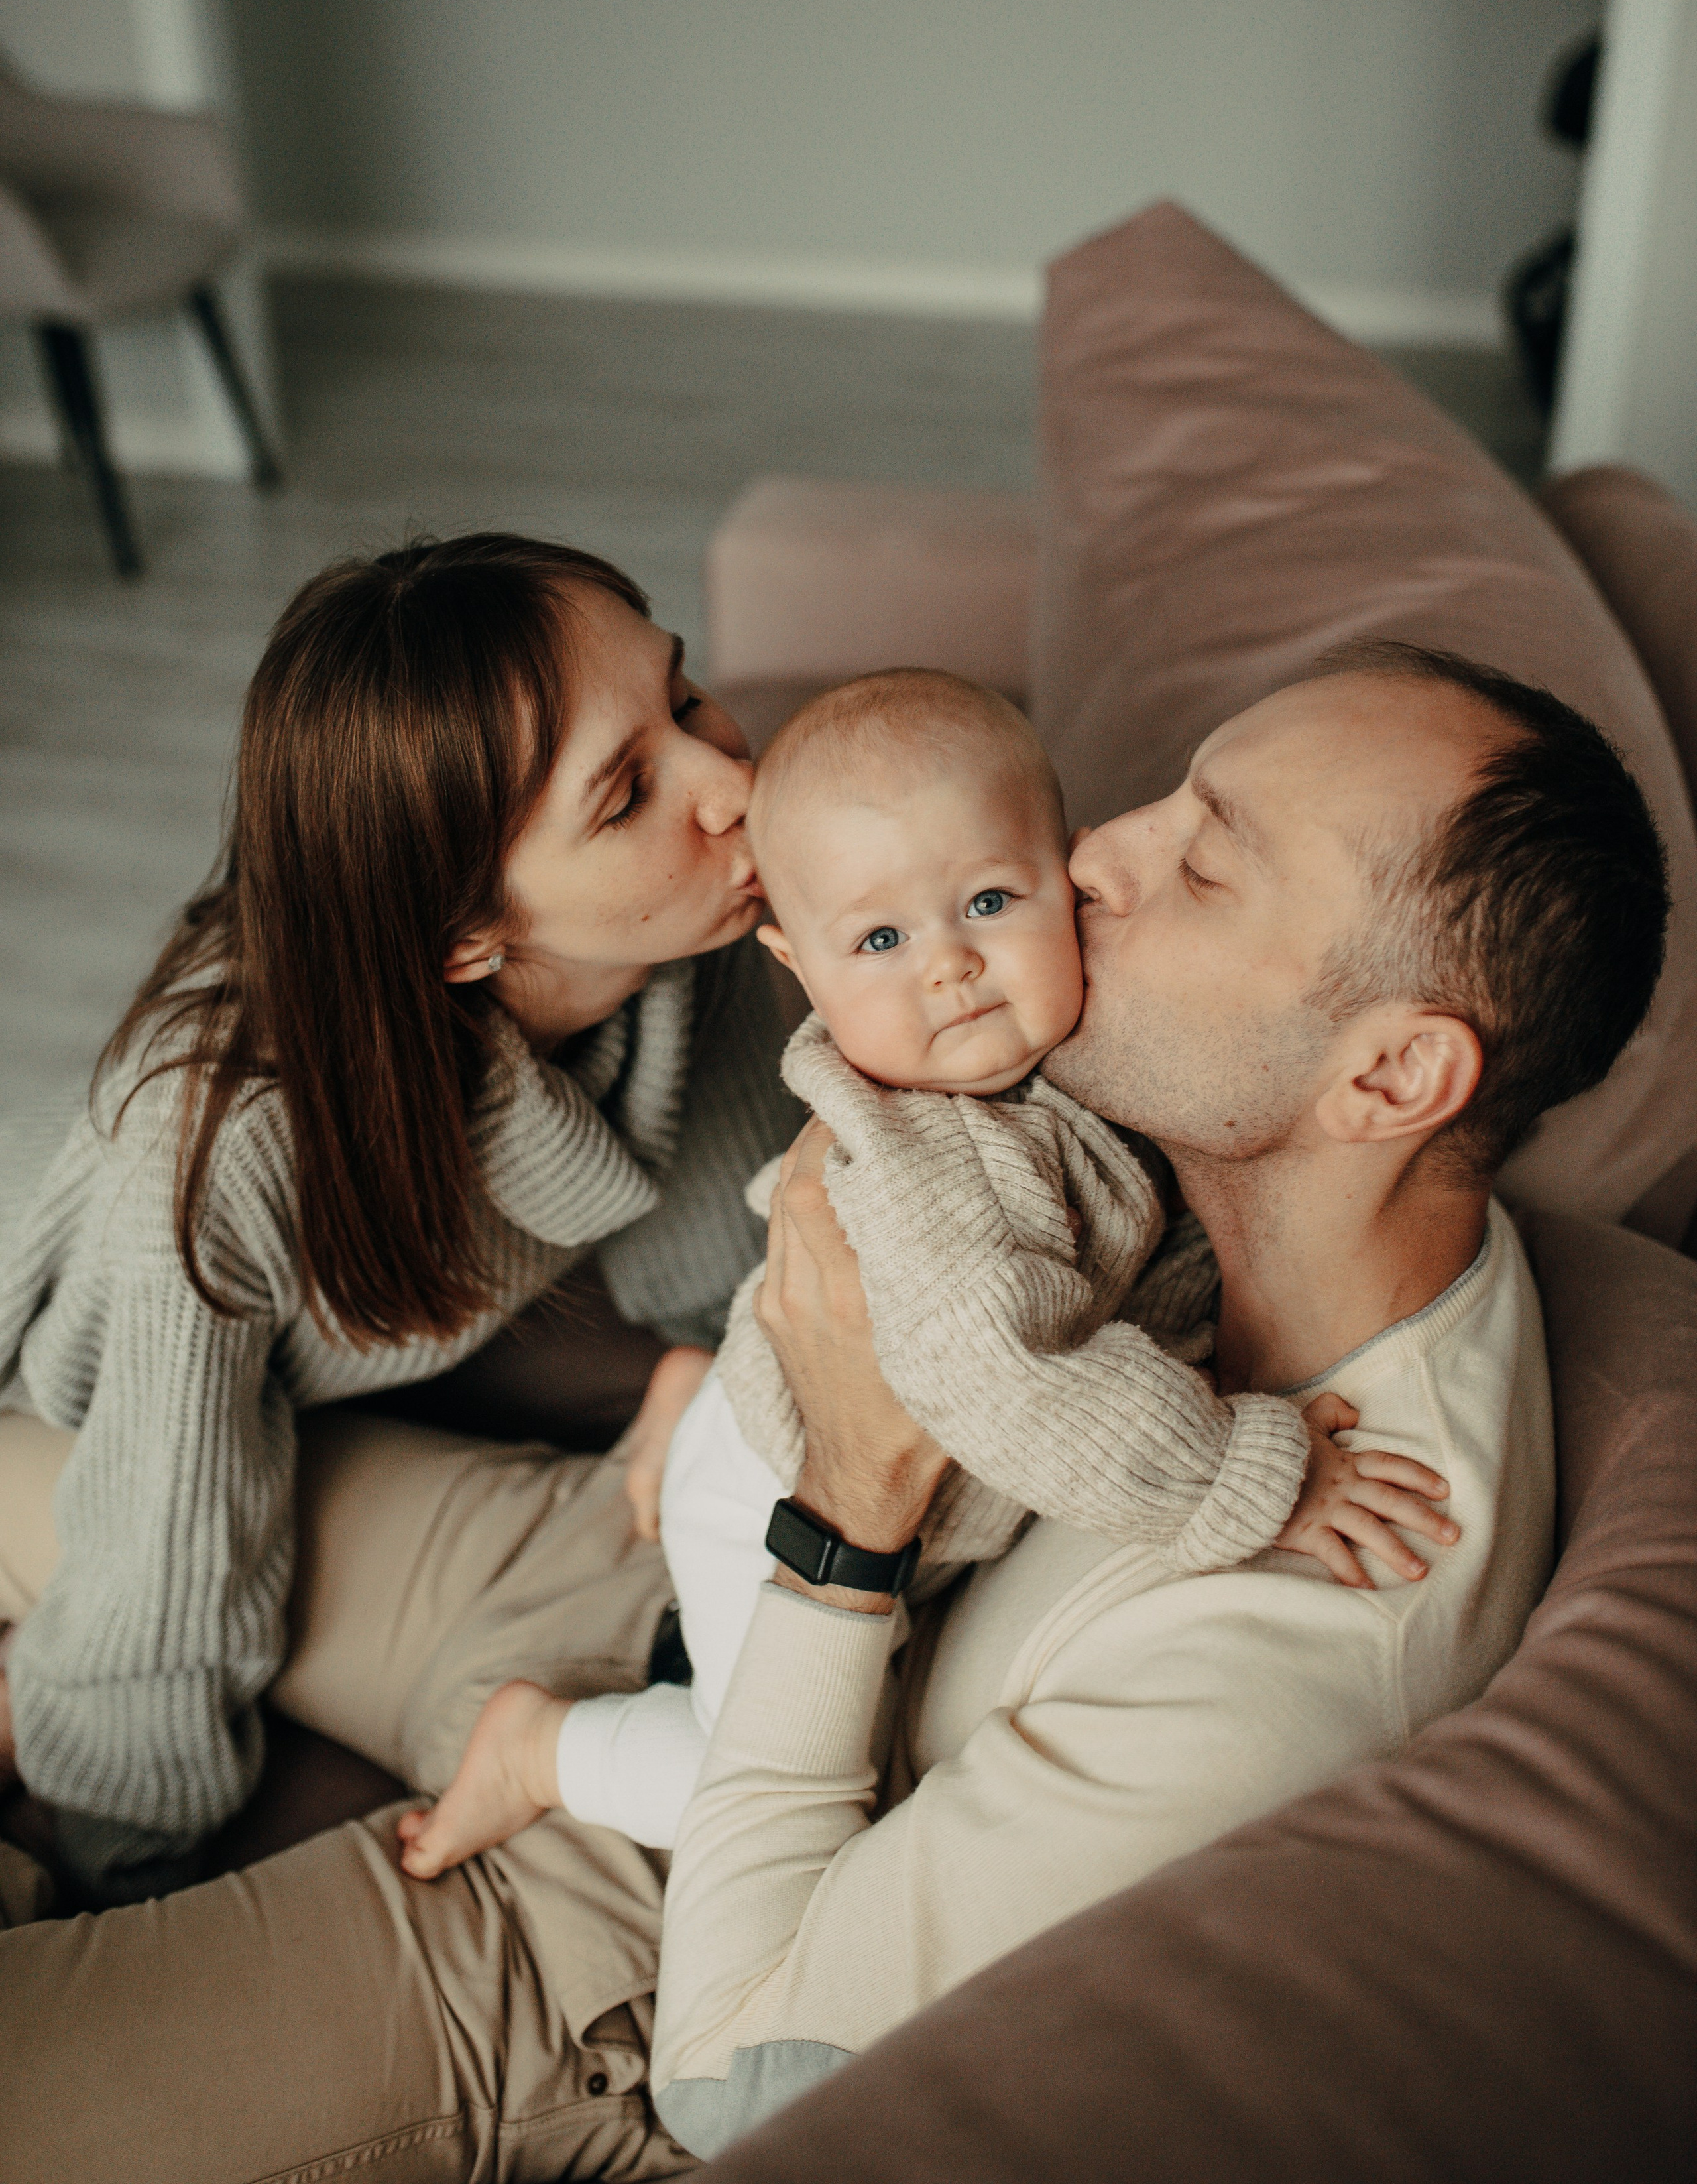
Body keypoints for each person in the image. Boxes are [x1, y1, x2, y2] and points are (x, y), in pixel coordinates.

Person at [0, 642, 1668, 2184]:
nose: (1092, 855)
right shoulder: (1206, 1145)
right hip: (653, 1547)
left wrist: (852, 1512)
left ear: (1388, 1079)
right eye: (1166, 792)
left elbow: (744, 2069)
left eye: (1205, 859)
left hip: (648, 1904)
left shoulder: (1314, 1615)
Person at [394, 668, 1456, 1872]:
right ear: (796, 963)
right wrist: (1257, 1480)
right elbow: (1010, 1379)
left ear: (1068, 878)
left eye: (991, 900)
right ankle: (546, 1749)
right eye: (882, 939)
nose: (949, 967)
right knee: (752, 1786)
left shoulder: (1082, 1062)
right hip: (764, 1501)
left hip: (858, 1477)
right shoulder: (934, 1159)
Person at [0, 532, 800, 1900]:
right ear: (464, 937)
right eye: (626, 794)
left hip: (384, 1351)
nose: (733, 780)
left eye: (682, 697)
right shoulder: (232, 1141)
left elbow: (725, 1252)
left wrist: (708, 1366)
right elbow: (168, 1542)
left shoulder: (683, 931)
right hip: (96, 1397)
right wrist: (124, 1853)